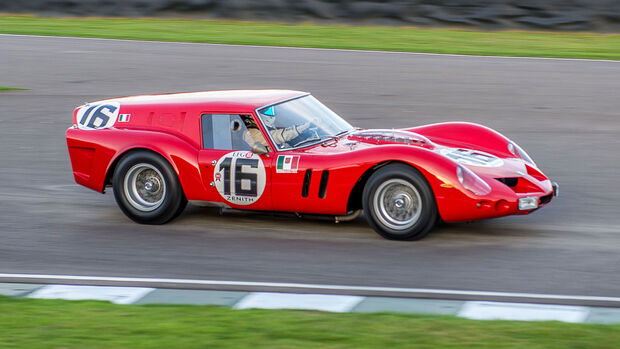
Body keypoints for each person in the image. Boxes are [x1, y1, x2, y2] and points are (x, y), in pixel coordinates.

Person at [243, 109, 312, 149]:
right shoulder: (251, 133)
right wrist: (302, 127)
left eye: (272, 110)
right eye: (267, 111)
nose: (272, 114)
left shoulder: (265, 127)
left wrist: (305, 135)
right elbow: (275, 137)